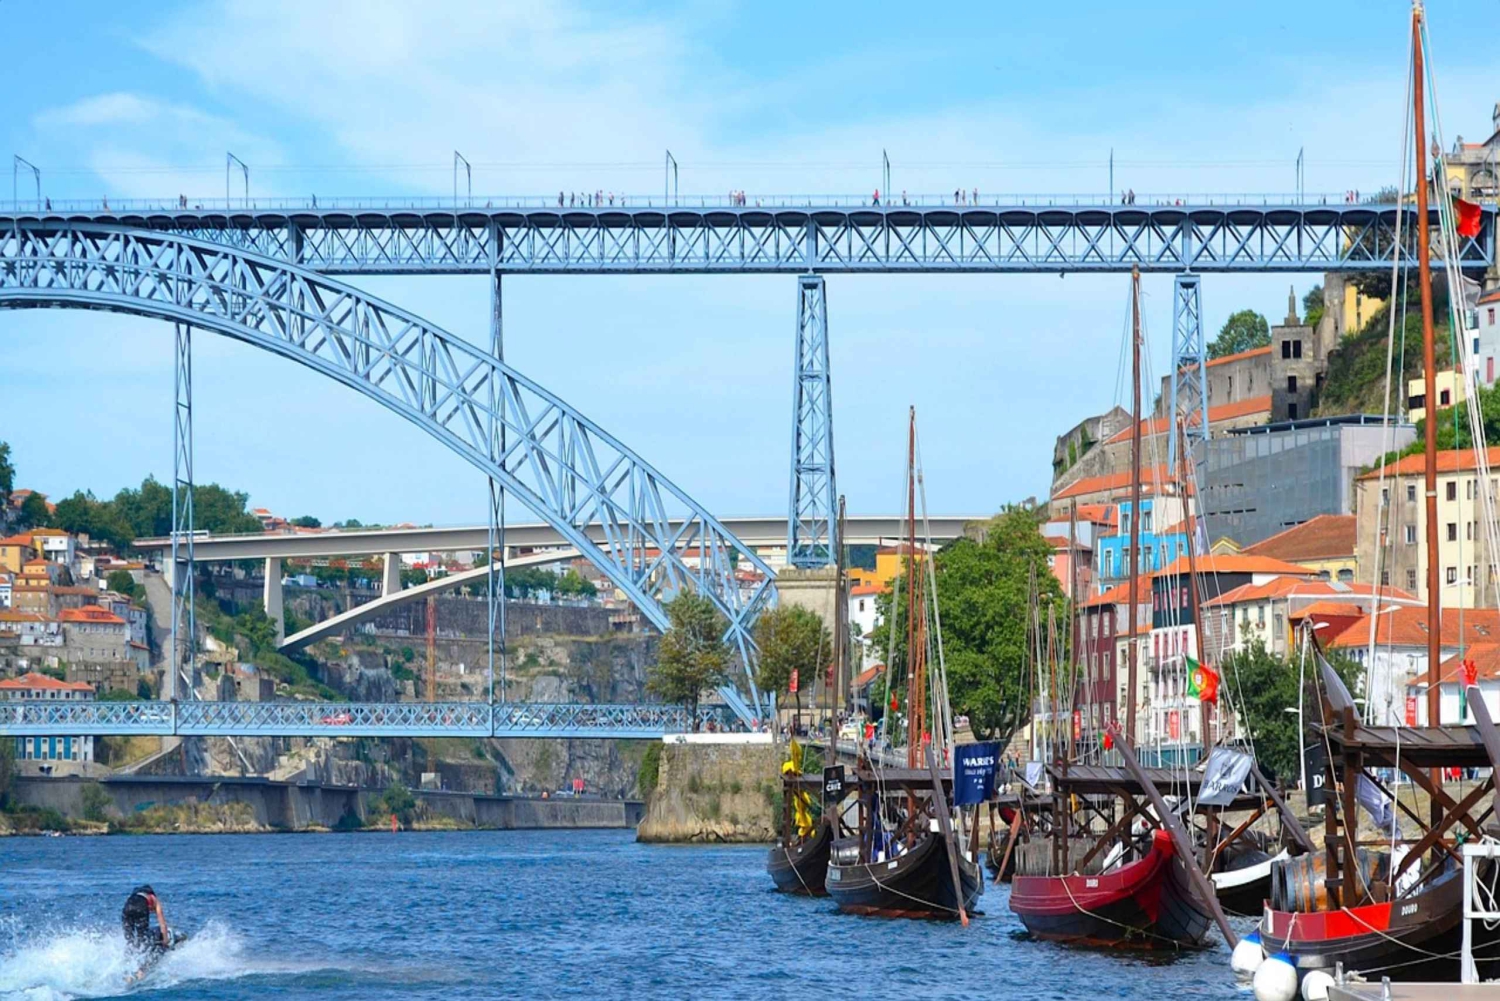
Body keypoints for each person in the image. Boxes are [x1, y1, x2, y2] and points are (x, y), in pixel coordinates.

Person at [122, 885, 171, 954]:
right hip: (141, 907)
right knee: (142, 937)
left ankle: (128, 956)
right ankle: (144, 959)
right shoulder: (154, 899)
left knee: (129, 938)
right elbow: (162, 924)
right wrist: (165, 941)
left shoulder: (133, 896)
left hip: (127, 907)